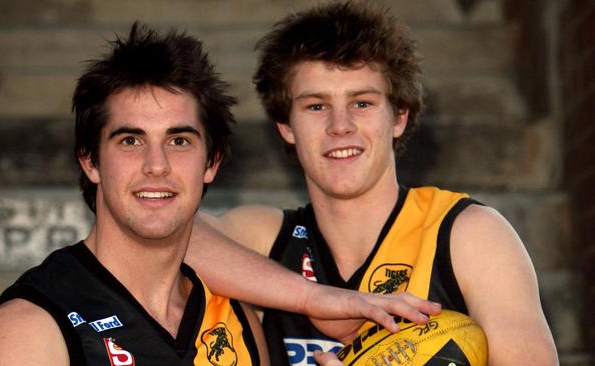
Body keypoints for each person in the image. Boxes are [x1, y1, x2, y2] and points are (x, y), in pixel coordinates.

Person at [0, 20, 440, 366]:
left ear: (211, 163)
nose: (156, 165)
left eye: (179, 141)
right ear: (90, 161)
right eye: (130, 140)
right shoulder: (33, 327)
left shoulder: (236, 318)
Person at [191, 1, 559, 365]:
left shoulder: (467, 235)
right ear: (285, 126)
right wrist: (312, 297)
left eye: (362, 103)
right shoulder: (266, 239)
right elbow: (159, 234)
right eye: (316, 106)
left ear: (399, 116)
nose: (340, 126)